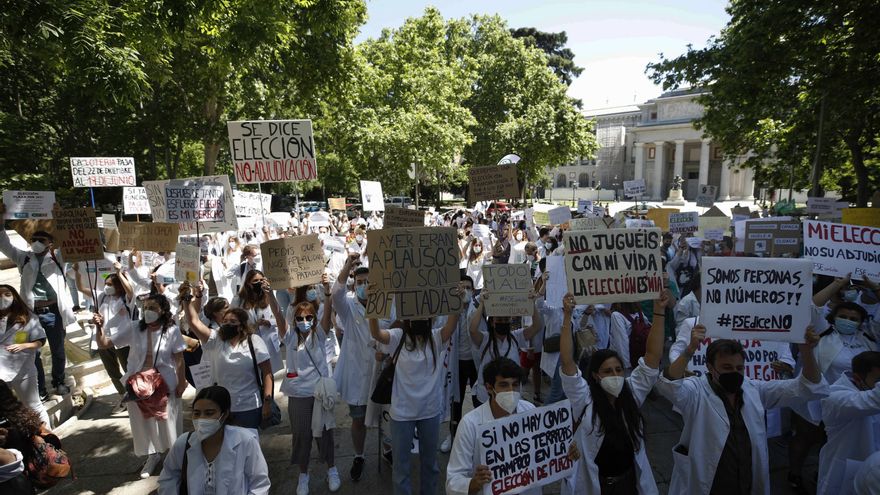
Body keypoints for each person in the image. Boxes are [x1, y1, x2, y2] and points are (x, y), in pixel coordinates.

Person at [658, 324, 829, 495]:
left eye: (739, 368)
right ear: (710, 367)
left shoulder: (754, 389)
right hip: (709, 483)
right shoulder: (696, 390)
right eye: (726, 368)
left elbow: (808, 387)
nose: (734, 372)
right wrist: (690, 350)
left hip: (746, 482)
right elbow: (668, 385)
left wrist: (806, 351)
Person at [558, 290, 668, 495]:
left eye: (618, 370)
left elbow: (652, 356)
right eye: (607, 371)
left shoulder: (632, 393)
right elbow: (567, 362)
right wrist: (566, 316)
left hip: (628, 483)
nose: (615, 375)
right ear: (596, 376)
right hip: (595, 485)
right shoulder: (584, 398)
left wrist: (659, 311)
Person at [368, 307, 461, 495]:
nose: (420, 317)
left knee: (430, 465)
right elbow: (376, 333)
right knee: (401, 468)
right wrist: (373, 308)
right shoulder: (397, 337)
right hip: (402, 415)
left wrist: (456, 299)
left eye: (424, 313)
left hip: (430, 412)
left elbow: (451, 324)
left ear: (431, 317)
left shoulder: (436, 337)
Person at [94, 293, 187, 478]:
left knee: (168, 422)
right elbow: (105, 344)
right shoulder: (135, 327)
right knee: (143, 423)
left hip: (164, 383)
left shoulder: (172, 330)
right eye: (146, 308)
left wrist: (181, 382)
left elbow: (179, 358)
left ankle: (173, 458)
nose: (148, 311)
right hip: (137, 385)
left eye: (152, 308)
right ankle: (152, 457)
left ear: (163, 310)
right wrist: (99, 326)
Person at [332, 253, 394, 481]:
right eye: (359, 283)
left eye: (368, 282)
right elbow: (336, 293)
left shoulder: (389, 304)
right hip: (357, 375)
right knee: (358, 419)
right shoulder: (348, 306)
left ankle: (388, 451)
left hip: (383, 372)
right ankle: (359, 455)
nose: (364, 286)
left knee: (386, 418)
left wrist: (386, 351)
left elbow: (396, 331)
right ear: (353, 285)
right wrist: (348, 265)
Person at [183, 283, 274, 430]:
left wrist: (268, 401)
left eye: (232, 322)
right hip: (222, 408)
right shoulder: (215, 340)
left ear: (242, 325)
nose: (227, 324)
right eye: (225, 321)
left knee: (247, 446)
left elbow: (267, 373)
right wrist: (187, 301)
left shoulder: (254, 341)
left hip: (249, 407)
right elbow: (194, 322)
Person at [0, 227, 76, 396]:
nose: (36, 243)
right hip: (30, 314)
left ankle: (58, 380)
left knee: (57, 350)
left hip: (54, 313)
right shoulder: (24, 258)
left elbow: (74, 243)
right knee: (31, 352)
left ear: (50, 243)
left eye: (41, 240)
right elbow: (4, 245)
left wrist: (59, 217)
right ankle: (40, 388)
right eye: (34, 239)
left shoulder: (58, 257)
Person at [445, 357, 538, 495]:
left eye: (515, 384)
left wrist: (565, 454)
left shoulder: (530, 411)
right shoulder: (470, 424)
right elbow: (453, 482)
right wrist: (474, 483)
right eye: (504, 385)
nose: (511, 391)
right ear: (489, 388)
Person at [157, 385, 270, 494]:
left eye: (209, 413)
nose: (201, 419)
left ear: (224, 414)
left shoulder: (246, 441)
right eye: (196, 413)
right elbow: (169, 476)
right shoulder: (183, 443)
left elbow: (259, 484)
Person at [282, 297, 340, 495]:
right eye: (299, 317)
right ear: (294, 319)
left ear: (314, 319)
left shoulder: (320, 335)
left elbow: (328, 309)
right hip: (298, 394)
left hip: (319, 394)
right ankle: (303, 475)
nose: (304, 320)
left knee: (325, 434)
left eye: (308, 317)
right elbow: (277, 315)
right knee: (301, 436)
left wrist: (326, 293)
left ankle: (332, 469)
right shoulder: (289, 336)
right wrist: (270, 295)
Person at [816, 351, 880, 495]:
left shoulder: (869, 389)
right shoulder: (834, 398)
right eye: (878, 380)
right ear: (857, 378)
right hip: (844, 472)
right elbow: (872, 401)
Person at [468, 289, 543, 406]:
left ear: (510, 320)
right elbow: (472, 330)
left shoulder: (516, 337)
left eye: (506, 319)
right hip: (486, 398)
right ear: (492, 322)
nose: (503, 322)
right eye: (499, 320)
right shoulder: (485, 339)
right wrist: (482, 304)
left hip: (511, 396)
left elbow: (537, 326)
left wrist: (532, 304)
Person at [0, 285, 49, 426]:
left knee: (33, 406)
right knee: (7, 409)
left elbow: (40, 340)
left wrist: (24, 346)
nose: (3, 298)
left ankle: (49, 439)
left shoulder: (28, 317)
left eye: (7, 294)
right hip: (1, 372)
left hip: (23, 369)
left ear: (14, 296)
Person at [231, 270, 285, 373]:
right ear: (248, 283)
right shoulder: (238, 299)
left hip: (268, 339)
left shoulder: (268, 296)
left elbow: (279, 315)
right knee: (254, 371)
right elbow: (231, 318)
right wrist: (250, 326)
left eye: (261, 280)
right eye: (255, 281)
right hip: (248, 340)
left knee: (269, 372)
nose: (259, 283)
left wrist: (269, 322)